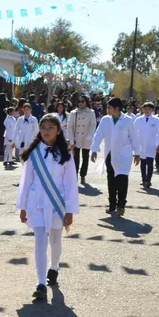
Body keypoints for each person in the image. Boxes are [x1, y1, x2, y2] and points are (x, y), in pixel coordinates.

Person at [17, 114, 78, 300]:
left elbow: (70, 183)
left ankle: (54, 267)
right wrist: (23, 206)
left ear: (59, 131)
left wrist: (70, 210)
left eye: (51, 127)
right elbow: (26, 181)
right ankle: (41, 283)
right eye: (43, 127)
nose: (46, 131)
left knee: (55, 241)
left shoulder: (66, 154)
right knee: (40, 242)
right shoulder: (33, 153)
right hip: (36, 204)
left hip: (57, 203)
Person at [90, 97, 140, 216]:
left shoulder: (127, 120)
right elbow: (98, 135)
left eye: (110, 107)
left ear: (117, 108)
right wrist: (94, 149)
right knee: (111, 180)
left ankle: (121, 205)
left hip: (124, 154)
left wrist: (137, 153)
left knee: (122, 180)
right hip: (110, 154)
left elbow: (134, 137)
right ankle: (112, 204)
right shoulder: (105, 120)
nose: (107, 109)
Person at [67, 95, 97, 184]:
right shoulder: (73, 112)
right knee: (75, 157)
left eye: (83, 101)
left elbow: (93, 125)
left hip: (86, 138)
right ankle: (74, 174)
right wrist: (71, 139)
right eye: (79, 101)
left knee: (85, 157)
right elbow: (70, 127)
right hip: (76, 137)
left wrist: (90, 135)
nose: (81, 103)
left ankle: (83, 175)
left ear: (86, 102)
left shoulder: (91, 112)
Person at [133, 102, 159, 190]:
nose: (147, 111)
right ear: (142, 110)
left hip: (151, 145)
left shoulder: (156, 120)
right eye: (145, 109)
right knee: (143, 163)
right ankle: (143, 179)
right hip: (141, 145)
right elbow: (133, 133)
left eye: (149, 109)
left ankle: (148, 179)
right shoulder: (138, 120)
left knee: (150, 163)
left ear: (152, 110)